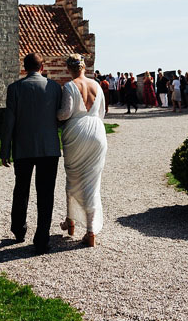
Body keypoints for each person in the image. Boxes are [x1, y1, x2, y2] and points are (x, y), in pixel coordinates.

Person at [0, 52, 63, 254]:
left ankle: (19, 230)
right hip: (48, 148)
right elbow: (60, 117)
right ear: (42, 68)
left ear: (24, 68)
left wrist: (5, 150)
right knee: (46, 194)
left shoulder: (15, 88)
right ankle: (42, 238)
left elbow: (9, 121)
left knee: (21, 190)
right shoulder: (54, 88)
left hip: (24, 147)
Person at [56, 53, 107, 247]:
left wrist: (55, 115)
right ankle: (91, 230)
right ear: (84, 67)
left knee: (73, 178)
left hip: (76, 132)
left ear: (69, 69)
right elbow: (101, 113)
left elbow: (66, 113)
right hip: (97, 132)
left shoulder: (69, 86)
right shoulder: (98, 86)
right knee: (93, 181)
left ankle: (71, 222)